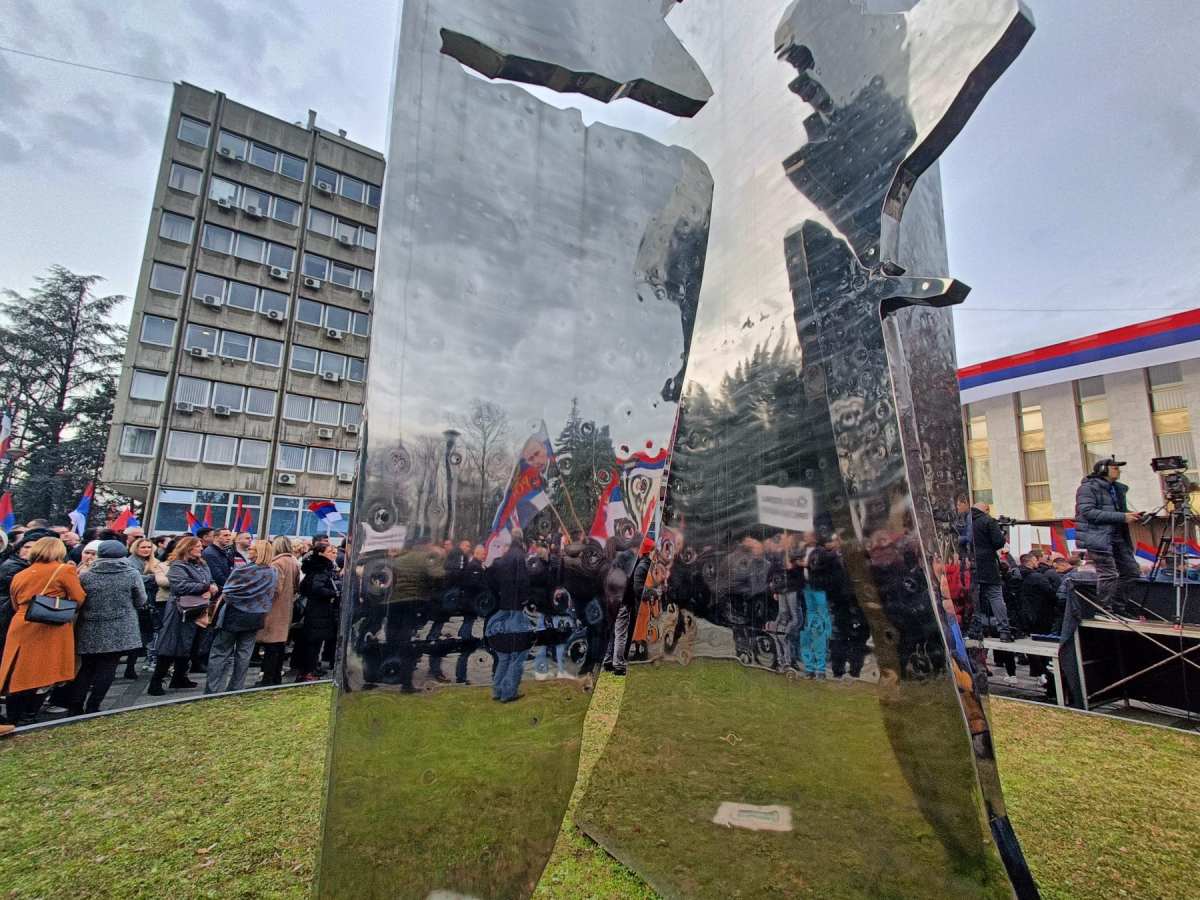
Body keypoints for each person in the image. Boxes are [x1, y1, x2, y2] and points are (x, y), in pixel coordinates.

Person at [0, 537, 86, 726]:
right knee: (44, 672)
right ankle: (30, 715)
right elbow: (78, 598)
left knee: (18, 671)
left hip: (21, 622)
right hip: (49, 625)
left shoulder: (22, 573)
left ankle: (14, 715)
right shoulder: (64, 570)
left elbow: (15, 602)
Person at [68, 540, 147, 715]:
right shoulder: (131, 574)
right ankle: (94, 705)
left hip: (90, 625)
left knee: (86, 668)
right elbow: (141, 600)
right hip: (120, 627)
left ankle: (75, 706)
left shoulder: (86, 575)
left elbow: (78, 600)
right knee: (108, 667)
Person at [1075, 457, 1144, 617]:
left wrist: (1131, 516)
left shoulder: (1117, 489)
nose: (1118, 470)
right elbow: (1087, 512)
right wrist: (1122, 517)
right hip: (1097, 537)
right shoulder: (1087, 488)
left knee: (1132, 571)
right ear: (1103, 469)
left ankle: (1118, 608)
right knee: (1109, 574)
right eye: (1115, 468)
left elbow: (1119, 513)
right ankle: (1104, 610)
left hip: (1118, 537)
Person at [206, 540, 277, 694]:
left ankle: (214, 689)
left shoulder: (242, 571)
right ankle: (236, 688)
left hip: (235, 614)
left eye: (251, 549)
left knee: (221, 652)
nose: (249, 551)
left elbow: (228, 592)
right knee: (244, 654)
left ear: (258, 552)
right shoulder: (272, 572)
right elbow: (271, 594)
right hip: (257, 615)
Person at [149, 536, 215, 696]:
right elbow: (179, 586)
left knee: (189, 644)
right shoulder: (178, 565)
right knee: (171, 645)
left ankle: (180, 676)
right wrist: (206, 587)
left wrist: (211, 586)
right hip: (180, 610)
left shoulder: (202, 564)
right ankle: (156, 682)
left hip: (198, 609)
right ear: (188, 548)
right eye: (198, 546)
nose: (201, 548)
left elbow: (209, 580)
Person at [486, 529, 533, 701]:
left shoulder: (504, 558)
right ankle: (508, 693)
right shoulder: (519, 556)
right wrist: (525, 599)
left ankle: (497, 690)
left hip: (503, 607)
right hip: (515, 609)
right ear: (522, 540)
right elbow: (523, 580)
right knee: (517, 654)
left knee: (504, 655)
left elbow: (491, 576)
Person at [293, 542, 340, 682]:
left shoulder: (319, 568)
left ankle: (309, 669)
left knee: (314, 642)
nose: (334, 554)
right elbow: (317, 588)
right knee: (313, 643)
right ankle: (307, 671)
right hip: (317, 610)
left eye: (335, 551)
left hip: (318, 610)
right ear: (321, 554)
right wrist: (334, 593)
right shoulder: (320, 569)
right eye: (331, 551)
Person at [257, 536, 300, 686]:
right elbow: (296, 586)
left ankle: (268, 678)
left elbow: (275, 588)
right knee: (279, 644)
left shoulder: (276, 563)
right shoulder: (293, 562)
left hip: (274, 608)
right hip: (286, 607)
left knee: (271, 645)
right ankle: (275, 677)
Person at [969, 502, 1014, 641]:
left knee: (974, 598)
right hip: (988, 564)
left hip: (971, 563)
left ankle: (975, 630)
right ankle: (1004, 630)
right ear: (986, 510)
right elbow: (998, 542)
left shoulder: (966, 521)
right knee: (995, 596)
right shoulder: (988, 520)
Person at [129, 537, 170, 674]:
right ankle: (130, 666)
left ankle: (150, 659)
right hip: (137, 602)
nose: (146, 550)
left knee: (152, 632)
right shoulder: (131, 562)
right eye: (143, 547)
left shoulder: (156, 562)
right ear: (136, 548)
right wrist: (154, 578)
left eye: (148, 547)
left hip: (153, 601)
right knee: (138, 634)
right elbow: (136, 580)